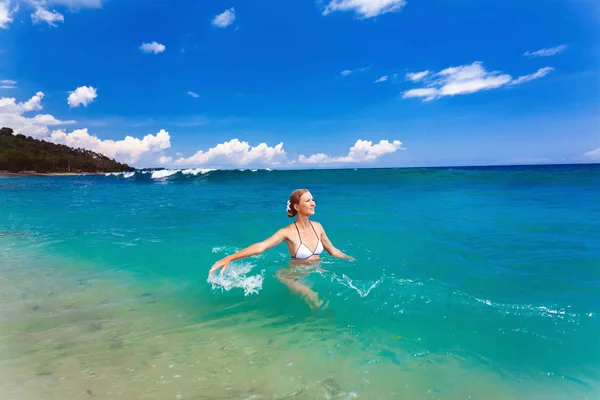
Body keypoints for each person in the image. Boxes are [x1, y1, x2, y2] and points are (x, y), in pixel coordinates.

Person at [209, 189, 353, 308]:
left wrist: (352, 260)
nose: (313, 203)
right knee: (313, 297)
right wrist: (229, 258)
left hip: (316, 270)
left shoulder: (318, 227)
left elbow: (333, 251)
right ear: (297, 207)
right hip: (292, 275)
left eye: (313, 200)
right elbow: (261, 246)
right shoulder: (287, 232)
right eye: (308, 201)